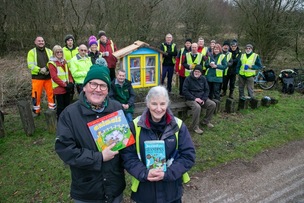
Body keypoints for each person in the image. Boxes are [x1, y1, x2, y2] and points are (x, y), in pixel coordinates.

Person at [55, 65, 126, 203]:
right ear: (85, 87)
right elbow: (65, 150)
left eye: (103, 85)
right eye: (93, 84)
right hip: (87, 190)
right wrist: (98, 157)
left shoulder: (116, 108)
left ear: (107, 90)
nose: (98, 89)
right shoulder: (69, 114)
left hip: (114, 187)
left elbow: (127, 142)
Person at [121, 86, 195, 203]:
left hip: (171, 191)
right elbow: (128, 156)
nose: (159, 109)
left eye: (162, 104)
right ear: (147, 103)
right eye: (154, 104)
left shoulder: (179, 126)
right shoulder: (134, 126)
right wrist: (144, 173)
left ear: (168, 104)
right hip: (145, 192)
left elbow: (188, 156)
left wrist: (167, 174)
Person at [27, 36, 56, 116]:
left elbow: (52, 61)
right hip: (37, 77)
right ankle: (36, 111)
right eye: (39, 41)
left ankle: (52, 109)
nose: (41, 42)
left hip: (48, 76)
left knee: (51, 93)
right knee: (36, 94)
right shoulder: (31, 52)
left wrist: (47, 68)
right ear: (35, 42)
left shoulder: (49, 51)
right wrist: (40, 69)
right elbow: (30, 65)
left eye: (42, 41)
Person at [183, 65, 216, 134]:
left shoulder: (203, 79)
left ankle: (205, 121)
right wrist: (194, 98)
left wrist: (203, 99)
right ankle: (195, 127)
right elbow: (185, 91)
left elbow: (207, 90)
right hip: (190, 99)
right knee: (197, 107)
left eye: (198, 72)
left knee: (212, 104)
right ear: (193, 71)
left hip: (201, 98)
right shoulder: (188, 79)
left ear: (201, 73)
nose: (196, 73)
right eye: (195, 71)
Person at [48, 45, 74, 118]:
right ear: (54, 53)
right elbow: (54, 77)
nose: (59, 53)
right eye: (57, 52)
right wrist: (65, 85)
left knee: (67, 105)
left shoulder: (64, 61)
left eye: (61, 52)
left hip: (67, 87)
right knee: (60, 106)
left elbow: (68, 73)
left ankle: (68, 119)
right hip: (58, 88)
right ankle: (60, 120)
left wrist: (71, 82)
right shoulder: (52, 63)